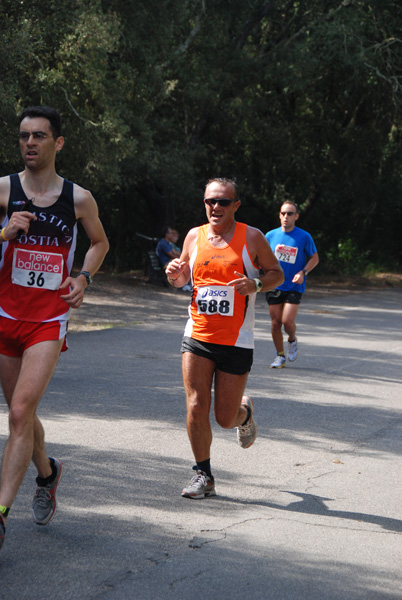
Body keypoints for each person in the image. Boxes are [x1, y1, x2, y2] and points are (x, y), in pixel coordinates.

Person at [0, 106, 109, 552]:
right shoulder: (4, 190)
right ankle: (47, 474)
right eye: (24, 135)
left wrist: (83, 278)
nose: (30, 143)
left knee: (21, 413)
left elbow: (101, 242)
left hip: (48, 318)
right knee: (22, 415)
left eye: (39, 136)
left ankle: (1, 515)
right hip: (5, 316)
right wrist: (5, 233)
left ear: (57, 143)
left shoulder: (78, 198)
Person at [165, 177, 284, 499]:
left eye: (223, 202)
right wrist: (174, 275)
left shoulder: (253, 237)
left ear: (236, 205)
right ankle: (203, 474)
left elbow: (276, 274)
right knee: (195, 405)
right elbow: (182, 279)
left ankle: (244, 413)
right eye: (210, 201)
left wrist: (256, 285)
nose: (215, 207)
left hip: (236, 341)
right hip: (198, 335)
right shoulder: (194, 236)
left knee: (224, 417)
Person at [265, 201, 319, 369]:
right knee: (275, 323)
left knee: (287, 322)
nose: (286, 217)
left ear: (296, 216)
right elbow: (260, 257)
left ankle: (292, 339)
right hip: (275, 284)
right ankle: (280, 356)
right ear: (279, 215)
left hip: (294, 285)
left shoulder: (304, 236)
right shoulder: (270, 236)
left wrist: (303, 272)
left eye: (290, 213)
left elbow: (315, 258)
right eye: (283, 213)